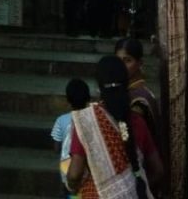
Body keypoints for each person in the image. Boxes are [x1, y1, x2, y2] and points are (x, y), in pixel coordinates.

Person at [67, 56, 163, 199]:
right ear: (126, 84)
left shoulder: (87, 121)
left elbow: (74, 174)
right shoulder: (137, 121)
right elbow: (158, 171)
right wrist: (134, 188)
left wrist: (72, 187)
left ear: (98, 88)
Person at [114, 38, 161, 149]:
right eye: (118, 60)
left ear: (140, 63)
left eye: (127, 60)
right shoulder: (122, 91)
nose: (121, 66)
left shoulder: (140, 99)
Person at [51, 77, 91, 198]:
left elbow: (56, 147)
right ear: (88, 99)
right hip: (87, 169)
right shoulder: (92, 120)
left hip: (67, 168)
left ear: (67, 100)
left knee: (67, 193)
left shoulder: (61, 120)